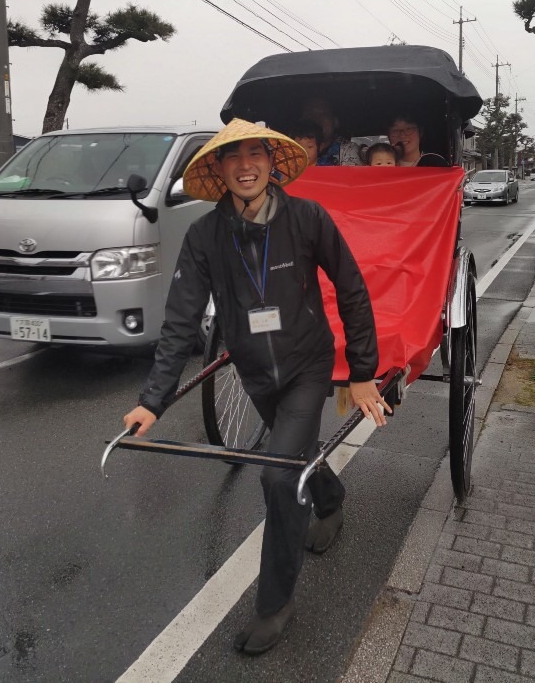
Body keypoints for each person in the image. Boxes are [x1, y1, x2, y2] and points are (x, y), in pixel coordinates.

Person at [122, 118, 390, 656]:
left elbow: (353, 289)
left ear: (271, 163)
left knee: (277, 475)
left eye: (255, 154)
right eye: (232, 157)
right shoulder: (205, 236)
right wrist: (153, 401)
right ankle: (331, 500)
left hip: (307, 365)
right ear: (218, 170)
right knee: (296, 455)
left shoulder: (306, 218)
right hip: (253, 369)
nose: (245, 165)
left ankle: (274, 604)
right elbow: (180, 320)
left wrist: (362, 372)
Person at [300, 97, 362, 166]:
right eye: (311, 113)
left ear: (335, 121)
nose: (317, 118)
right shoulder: (292, 147)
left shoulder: (348, 149)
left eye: (323, 113)